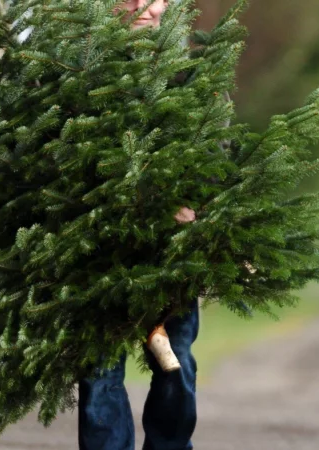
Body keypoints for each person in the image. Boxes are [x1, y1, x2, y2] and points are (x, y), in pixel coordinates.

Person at [77, 2, 201, 449]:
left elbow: (219, 155)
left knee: (176, 364)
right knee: (99, 372)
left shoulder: (194, 74)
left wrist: (193, 206)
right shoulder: (80, 69)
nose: (140, 7)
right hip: (96, 254)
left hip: (172, 257)